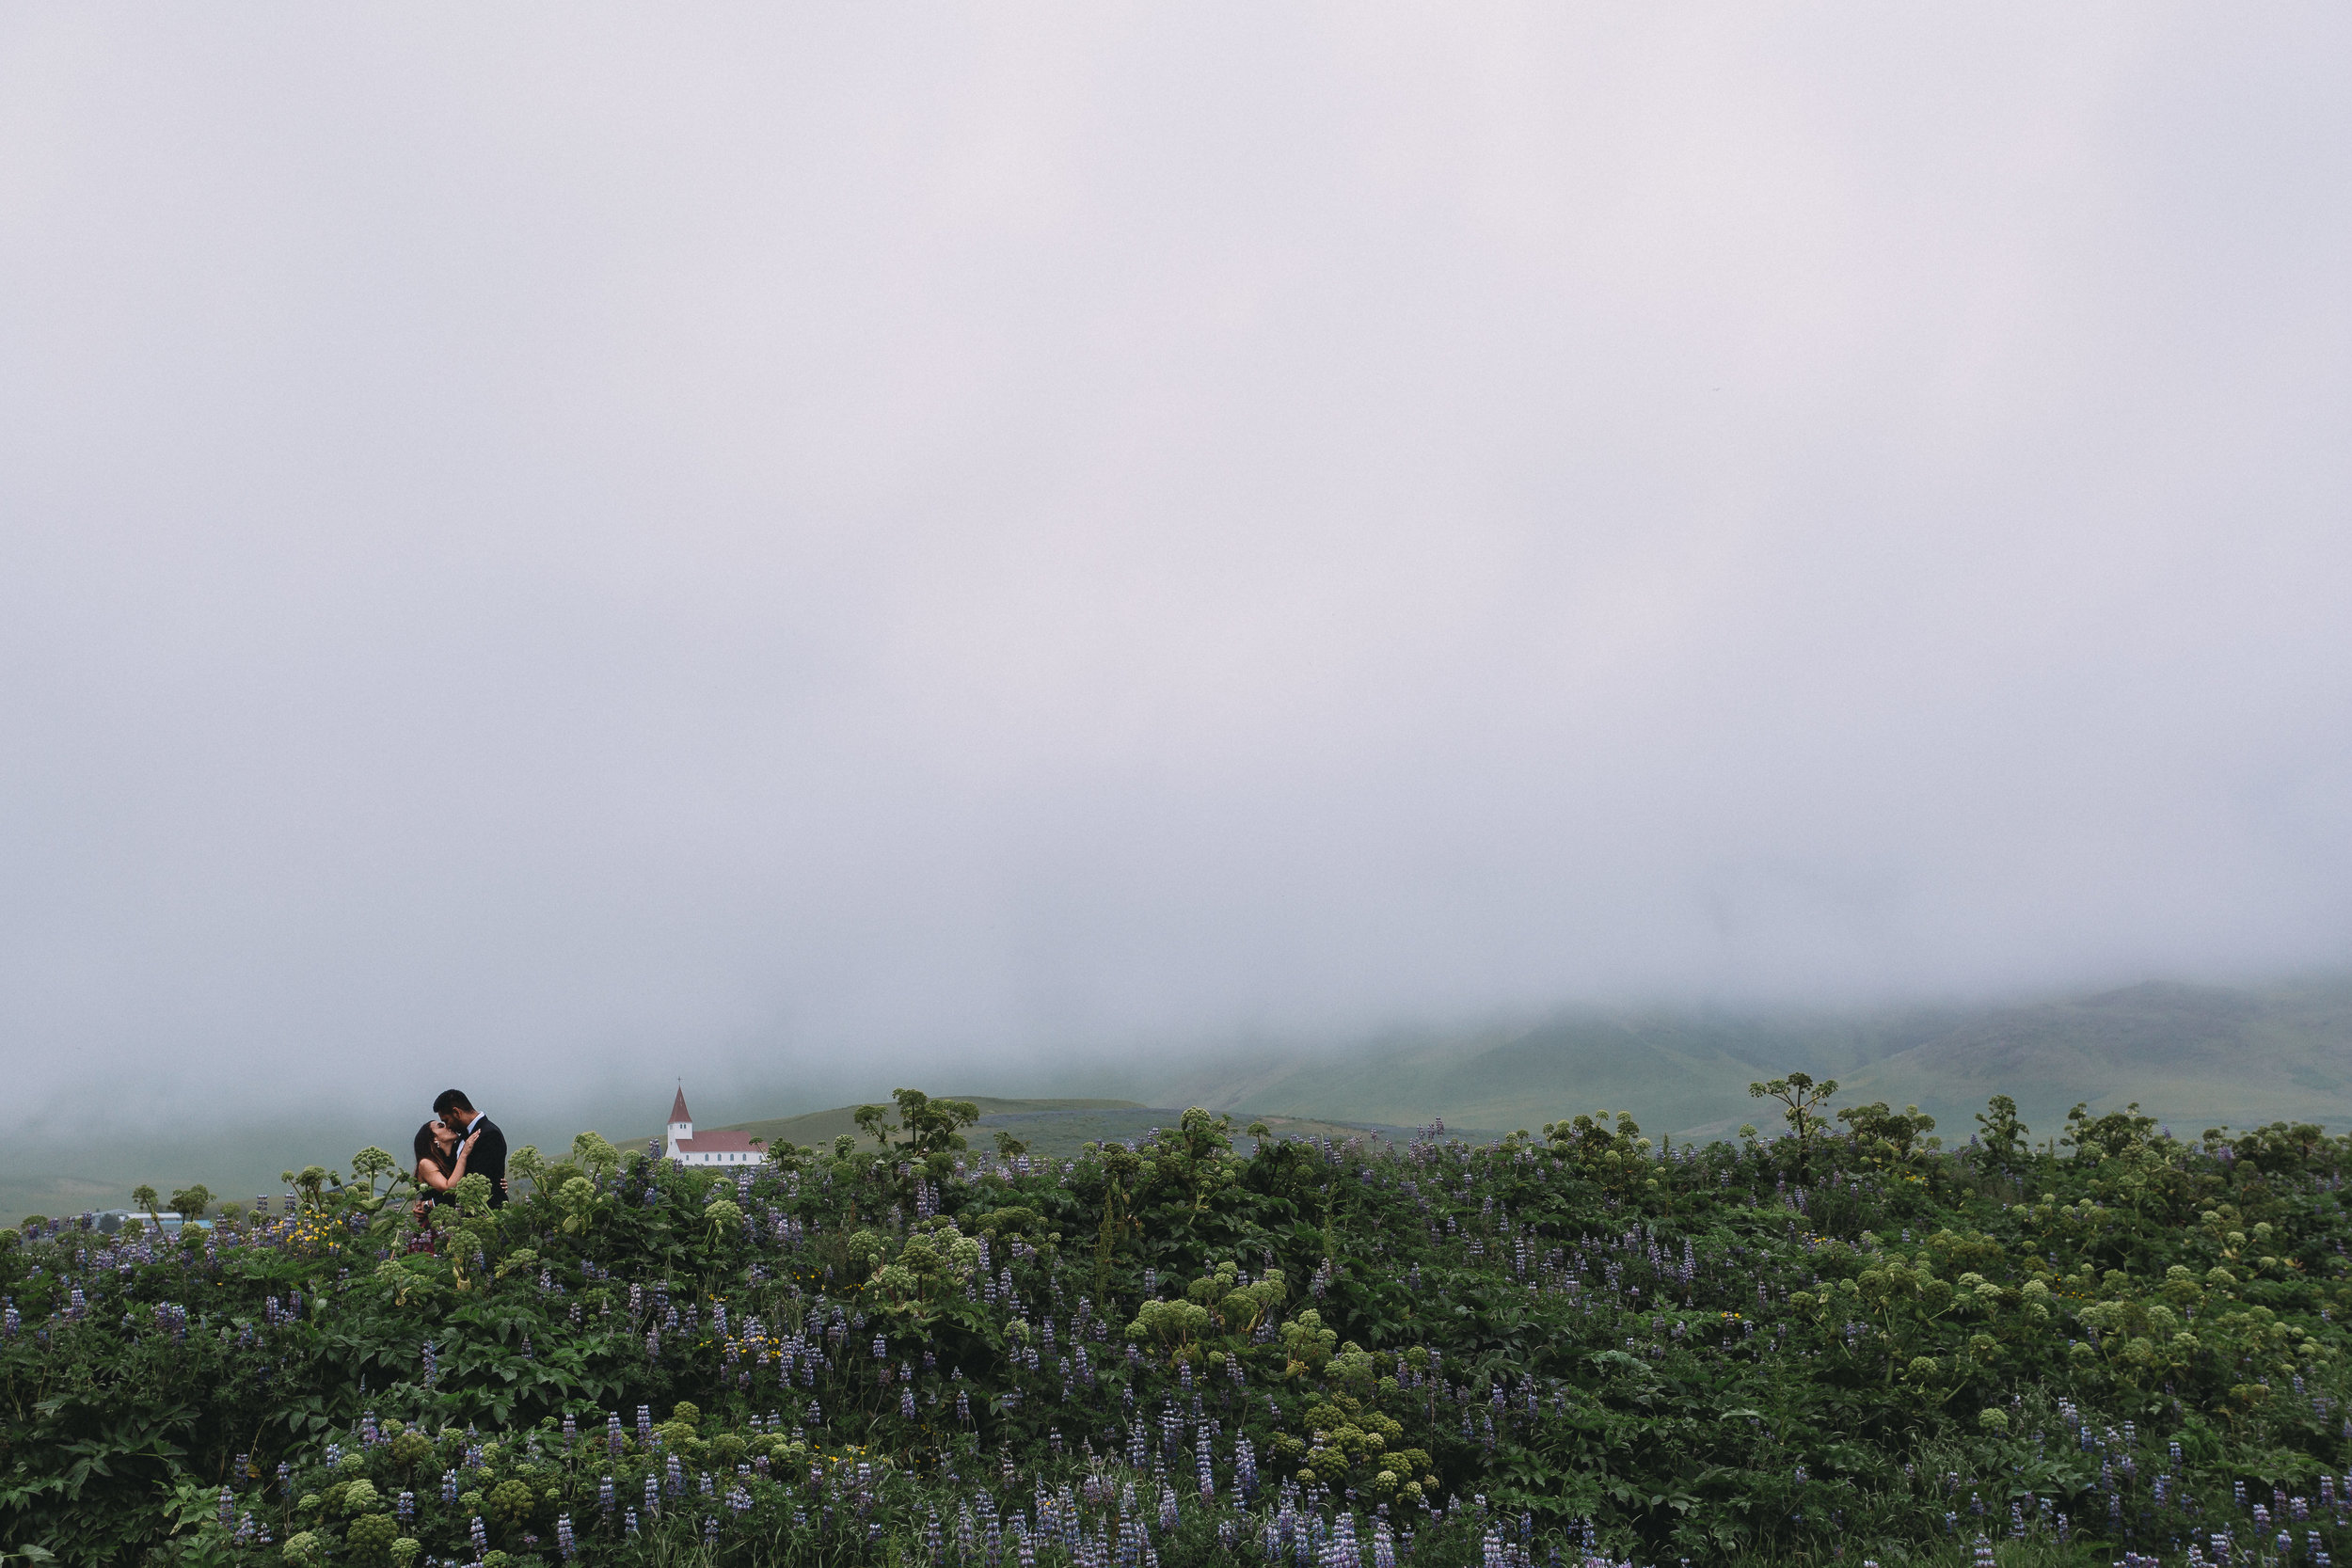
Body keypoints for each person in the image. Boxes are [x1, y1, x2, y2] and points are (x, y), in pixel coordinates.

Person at [434, 1090, 508, 1209]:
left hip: (488, 1213)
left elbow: (480, 1180)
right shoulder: (461, 1137)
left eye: (446, 1121)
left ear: (456, 1112)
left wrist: (432, 1203)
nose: (447, 1127)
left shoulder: (489, 1134)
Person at [410, 1118, 481, 1221]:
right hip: (437, 1228)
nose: (448, 1127)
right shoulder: (425, 1163)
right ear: (434, 1138)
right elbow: (449, 1189)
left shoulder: (451, 1161)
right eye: (440, 1126)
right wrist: (464, 1154)